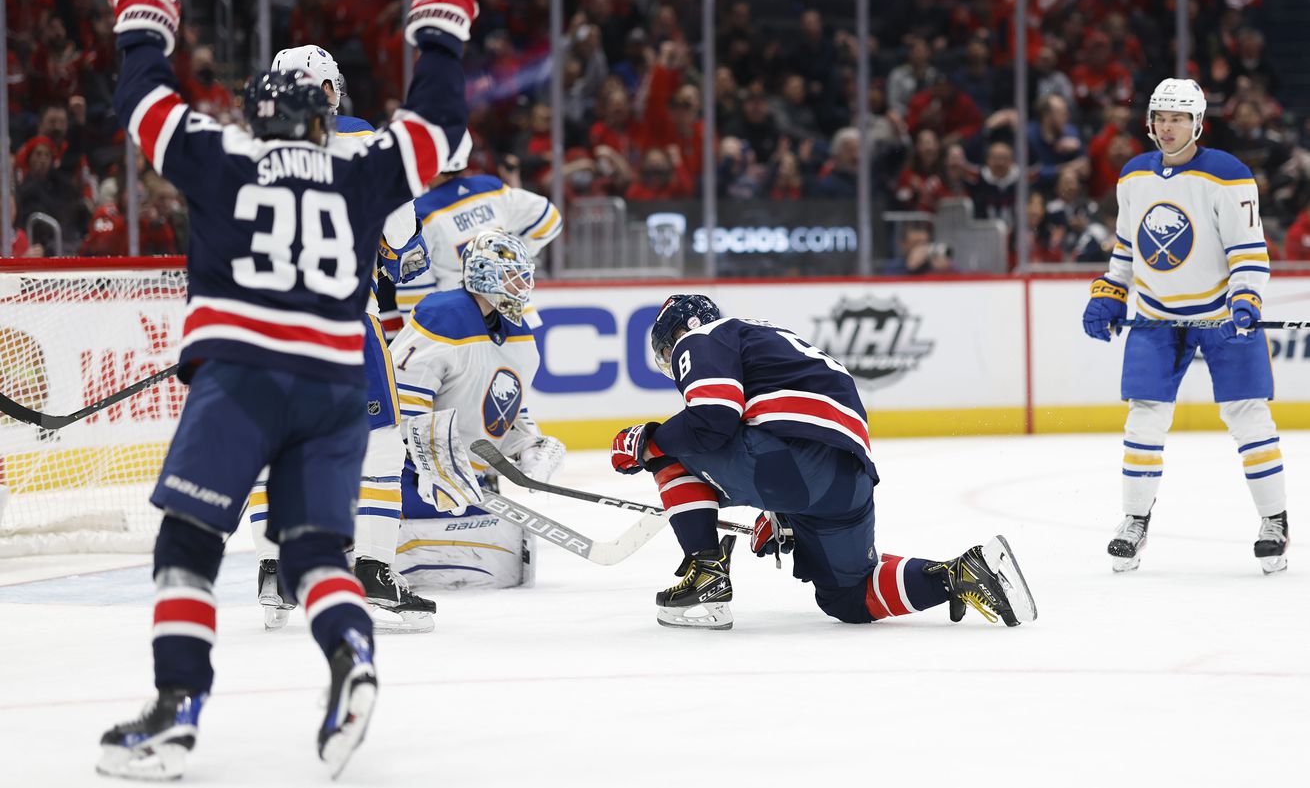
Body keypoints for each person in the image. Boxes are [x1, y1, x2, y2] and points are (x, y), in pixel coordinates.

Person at [96, 0, 478, 780]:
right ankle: (349, 657)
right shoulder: (363, 169)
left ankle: (176, 708)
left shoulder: (221, 156)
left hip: (244, 377)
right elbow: (440, 121)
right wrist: (440, 30)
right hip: (336, 385)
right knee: (314, 556)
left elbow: (142, 102)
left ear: (259, 110)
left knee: (190, 540)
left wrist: (143, 23)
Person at [608, 295, 1037, 631]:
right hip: (848, 479)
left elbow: (713, 420)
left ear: (683, 330)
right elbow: (780, 417)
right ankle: (960, 573)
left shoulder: (700, 338)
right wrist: (783, 508)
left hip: (790, 464)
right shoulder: (765, 337)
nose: (671, 360)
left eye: (667, 349)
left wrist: (645, 443)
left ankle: (706, 574)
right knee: (847, 595)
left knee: (666, 446)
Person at [248, 43, 436, 634]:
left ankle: (272, 569)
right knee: (381, 444)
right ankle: (375, 571)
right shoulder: (366, 143)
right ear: (330, 90)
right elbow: (405, 249)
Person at [1081, 77, 1289, 575]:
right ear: (1149, 123)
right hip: (1156, 318)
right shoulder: (1132, 176)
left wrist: (1245, 297)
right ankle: (1134, 521)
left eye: (1178, 118)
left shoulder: (1228, 174)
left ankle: (1274, 522)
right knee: (1144, 418)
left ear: (1198, 124)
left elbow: (1249, 251)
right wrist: (1111, 292)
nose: (1168, 127)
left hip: (1219, 315)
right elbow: (1127, 251)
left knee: (1248, 415)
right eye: (1161, 118)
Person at [386, 229, 565, 589]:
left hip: (468, 480)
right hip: (407, 475)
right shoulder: (444, 314)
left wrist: (528, 444)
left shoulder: (518, 331)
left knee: (508, 566)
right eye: (511, 274)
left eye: (523, 275)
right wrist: (436, 467)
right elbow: (404, 400)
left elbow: (506, 407)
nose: (521, 284)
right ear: (483, 274)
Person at [386, 142, 562, 328]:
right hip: (514, 310)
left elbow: (415, 288)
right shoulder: (490, 187)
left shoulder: (419, 212)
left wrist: (417, 333)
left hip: (461, 323)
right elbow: (550, 218)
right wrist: (516, 254)